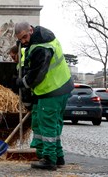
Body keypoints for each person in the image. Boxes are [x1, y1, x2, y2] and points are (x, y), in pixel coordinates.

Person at [14, 22, 73, 171]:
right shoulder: (45, 38)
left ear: (31, 30)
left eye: (25, 37)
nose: (24, 41)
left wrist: (22, 82)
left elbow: (37, 75)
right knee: (52, 124)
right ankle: (58, 157)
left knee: (47, 125)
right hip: (60, 87)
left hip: (52, 90)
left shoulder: (41, 48)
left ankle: (49, 159)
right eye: (20, 40)